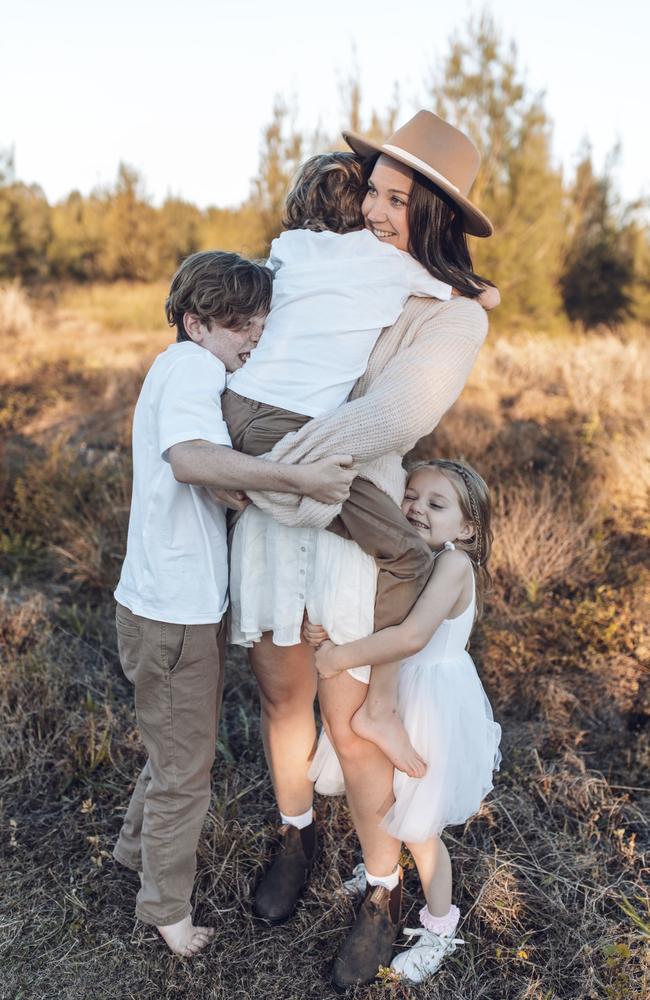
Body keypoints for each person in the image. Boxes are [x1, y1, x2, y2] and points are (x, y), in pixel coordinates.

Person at [228, 109, 496, 987]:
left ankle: (382, 894)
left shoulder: (449, 313)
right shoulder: (330, 263)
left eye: (396, 200)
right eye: (373, 192)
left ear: (436, 216)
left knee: (352, 724)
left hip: (350, 509)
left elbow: (400, 412)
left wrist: (290, 456)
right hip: (277, 509)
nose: (376, 211)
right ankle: (296, 836)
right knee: (281, 693)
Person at [111, 250, 355, 958]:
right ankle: (167, 912)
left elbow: (208, 472)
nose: (254, 338)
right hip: (174, 613)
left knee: (172, 743)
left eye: (260, 322)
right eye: (240, 324)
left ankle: (135, 853)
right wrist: (296, 476)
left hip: (173, 603)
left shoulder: (181, 369)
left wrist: (238, 483)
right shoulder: (192, 367)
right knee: (186, 771)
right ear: (196, 322)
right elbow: (190, 459)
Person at [303, 459, 501, 984]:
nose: (416, 508)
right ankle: (378, 871)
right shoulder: (415, 558)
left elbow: (411, 637)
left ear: (467, 528)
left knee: (420, 825)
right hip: (401, 693)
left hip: (432, 704)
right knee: (383, 794)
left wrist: (338, 658)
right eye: (410, 496)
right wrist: (331, 633)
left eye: (436, 505)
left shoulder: (453, 565)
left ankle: (439, 929)